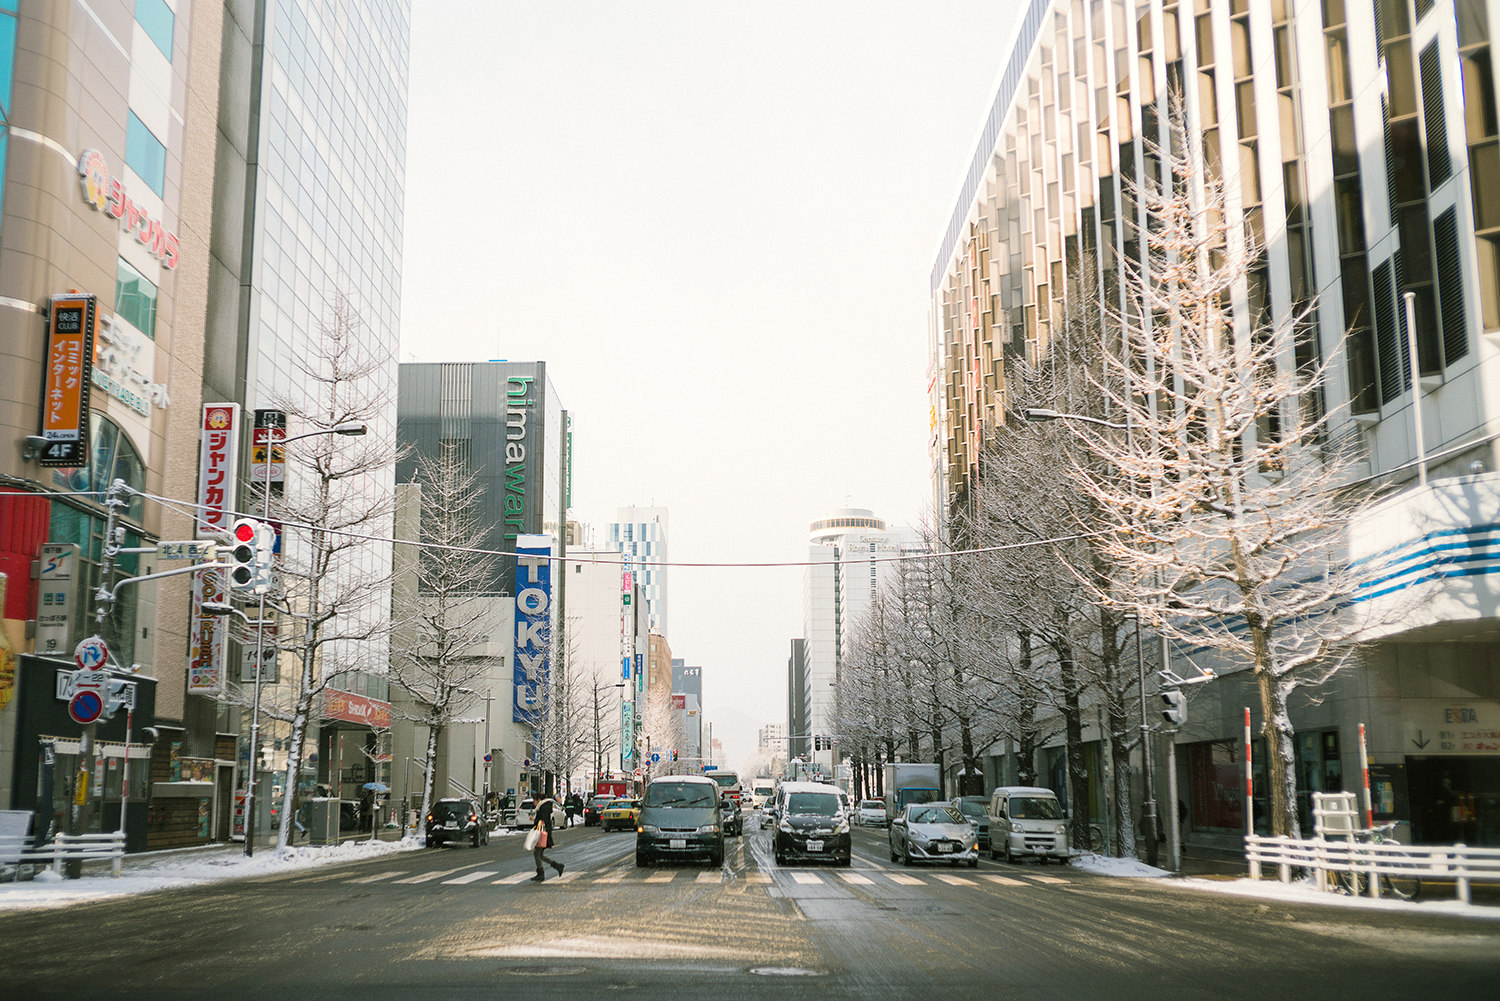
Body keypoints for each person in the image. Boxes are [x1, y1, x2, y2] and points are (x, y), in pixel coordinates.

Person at [531, 796, 564, 882]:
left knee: (537, 854)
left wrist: (534, 820)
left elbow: (542, 821)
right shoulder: (544, 807)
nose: (534, 803)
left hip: (542, 834)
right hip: (545, 833)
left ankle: (541, 873)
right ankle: (557, 866)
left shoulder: (543, 808)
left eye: (534, 801)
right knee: (539, 855)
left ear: (538, 800)